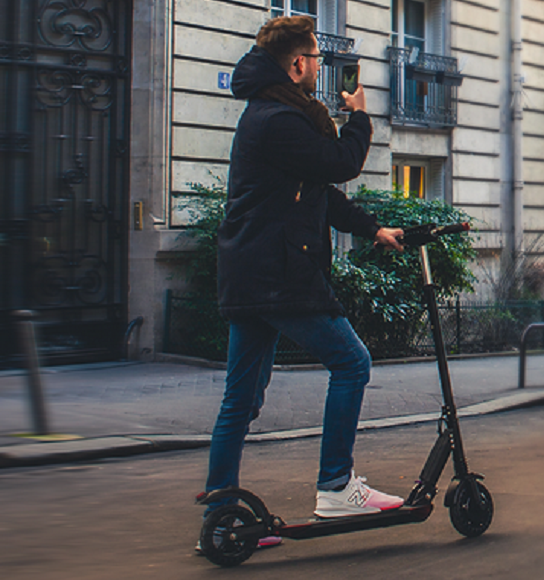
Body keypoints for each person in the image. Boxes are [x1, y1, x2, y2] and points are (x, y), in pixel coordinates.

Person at [205, 15, 406, 526]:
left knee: (241, 400)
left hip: (252, 271)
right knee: (353, 364)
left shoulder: (271, 113)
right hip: (280, 273)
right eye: (316, 58)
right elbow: (340, 163)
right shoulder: (278, 120)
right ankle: (336, 486)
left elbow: (320, 192)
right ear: (297, 65)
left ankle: (222, 514)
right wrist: (359, 117)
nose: (320, 67)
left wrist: (373, 229)